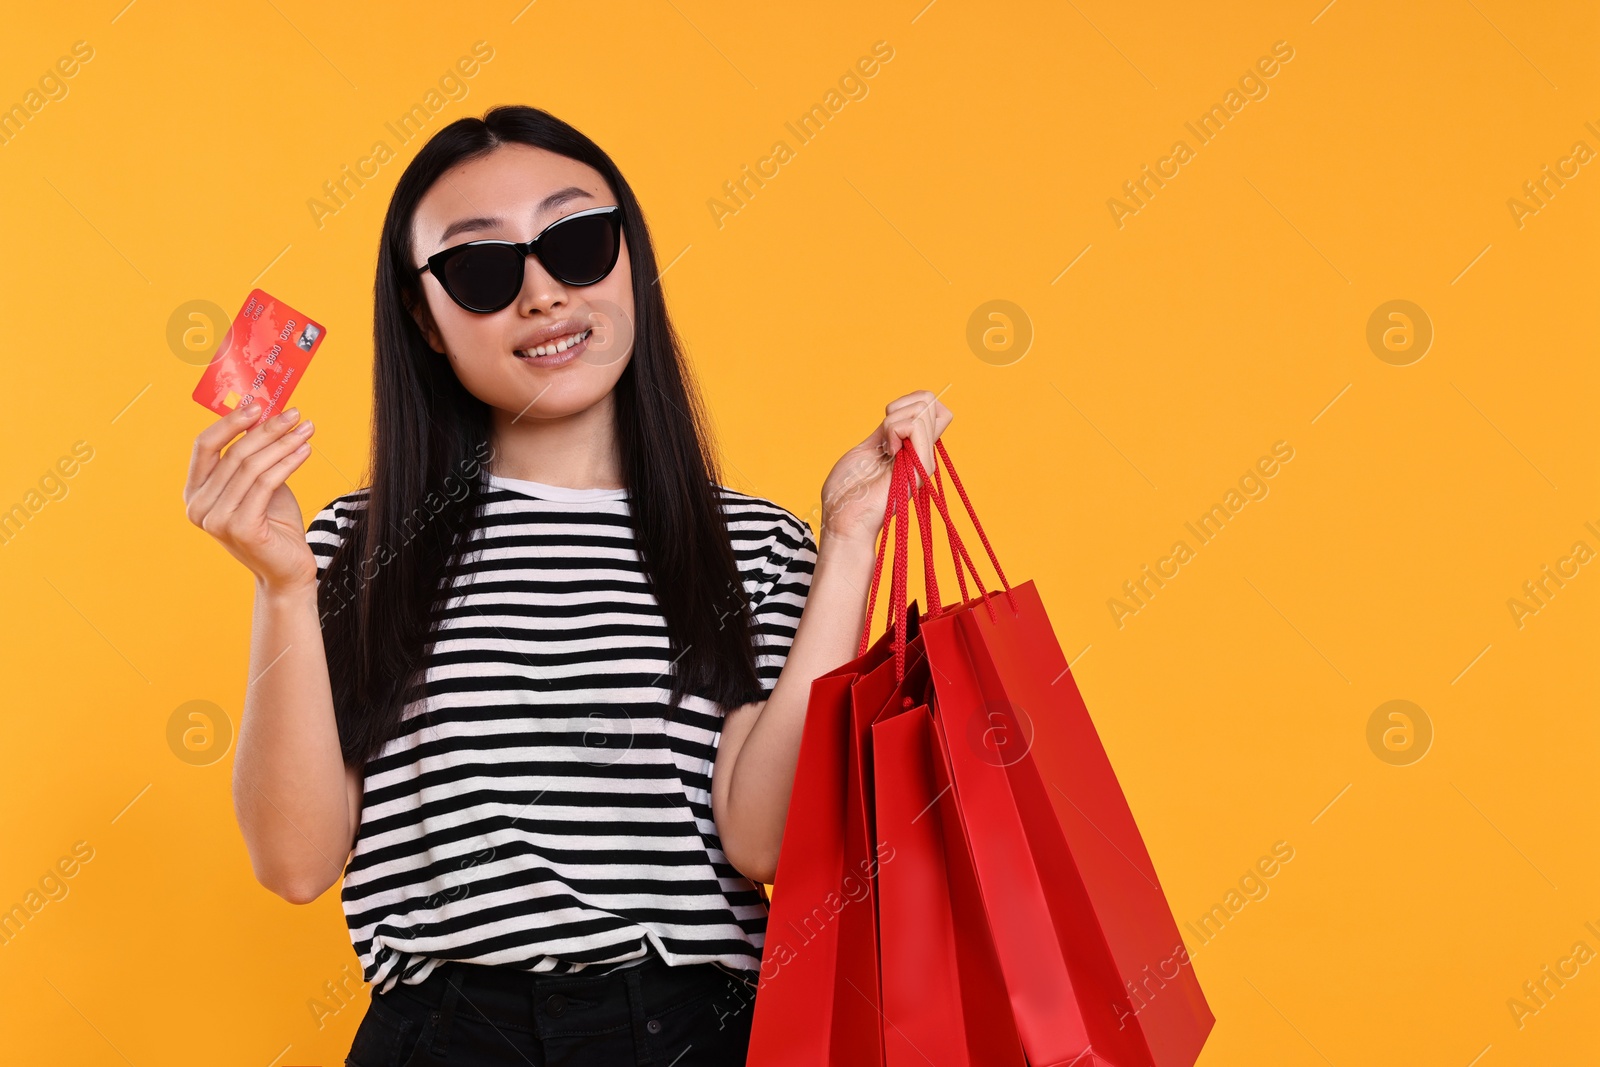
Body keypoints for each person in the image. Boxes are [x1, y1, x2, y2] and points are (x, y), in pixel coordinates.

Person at [182, 104, 951, 1066]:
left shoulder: (750, 544)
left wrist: (846, 543)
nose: (543, 294)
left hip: (690, 1027)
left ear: (630, 255)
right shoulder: (354, 543)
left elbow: (761, 844)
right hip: (447, 1032)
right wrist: (284, 587)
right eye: (483, 269)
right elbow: (295, 865)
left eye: (579, 241)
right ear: (425, 317)